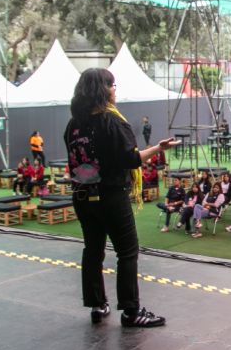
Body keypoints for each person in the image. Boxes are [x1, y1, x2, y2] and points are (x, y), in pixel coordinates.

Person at [65, 67, 179, 327]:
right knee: (127, 252)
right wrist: (158, 148)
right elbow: (130, 159)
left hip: (83, 196)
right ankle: (131, 311)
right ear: (102, 90)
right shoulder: (112, 121)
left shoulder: (73, 125)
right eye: (112, 85)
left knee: (92, 250)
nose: (115, 89)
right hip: (111, 196)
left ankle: (97, 304)